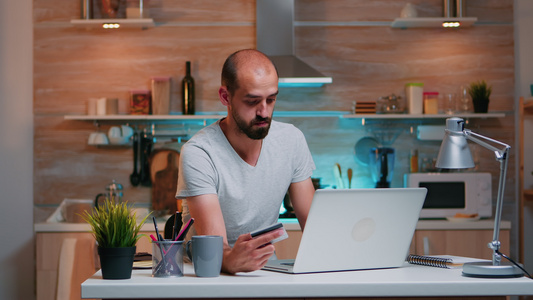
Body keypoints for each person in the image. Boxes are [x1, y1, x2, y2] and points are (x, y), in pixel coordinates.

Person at [176, 49, 316, 274]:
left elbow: (315, 226)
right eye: (252, 101)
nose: (264, 112)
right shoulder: (199, 152)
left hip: (265, 271)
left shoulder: (292, 140)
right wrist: (231, 258)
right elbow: (215, 249)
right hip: (208, 276)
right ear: (225, 97)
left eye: (271, 100)